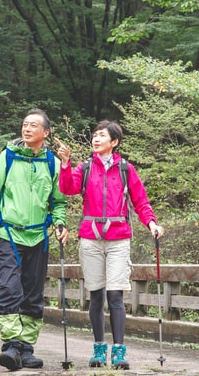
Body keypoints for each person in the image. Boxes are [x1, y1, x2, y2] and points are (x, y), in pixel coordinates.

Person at [56, 120, 164, 370]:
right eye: (94, 135)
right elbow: (67, 188)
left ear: (114, 142)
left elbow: (141, 202)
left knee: (115, 294)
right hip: (91, 239)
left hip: (118, 239)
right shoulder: (85, 168)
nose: (96, 139)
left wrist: (152, 224)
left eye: (101, 136)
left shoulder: (125, 169)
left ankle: (119, 351)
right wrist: (65, 164)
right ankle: (98, 349)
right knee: (95, 296)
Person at [0, 108, 69, 371]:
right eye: (25, 124)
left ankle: (25, 349)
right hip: (8, 234)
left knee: (33, 294)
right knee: (10, 288)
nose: (27, 129)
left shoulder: (51, 163)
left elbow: (58, 201)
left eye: (33, 125)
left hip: (38, 236)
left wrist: (61, 223)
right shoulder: (7, 157)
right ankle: (11, 344)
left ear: (45, 133)